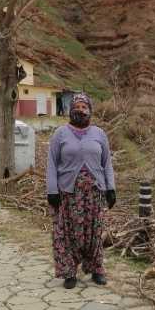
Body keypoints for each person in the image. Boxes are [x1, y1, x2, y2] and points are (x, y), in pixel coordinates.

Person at [46, 93, 116, 288]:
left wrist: (111, 188)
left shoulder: (99, 134)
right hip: (68, 193)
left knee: (94, 232)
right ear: (70, 110)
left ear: (90, 111)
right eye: (76, 107)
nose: (80, 110)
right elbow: (51, 163)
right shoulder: (60, 133)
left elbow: (107, 163)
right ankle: (69, 272)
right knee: (67, 233)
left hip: (95, 192)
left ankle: (96, 269)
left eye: (84, 107)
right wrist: (52, 190)